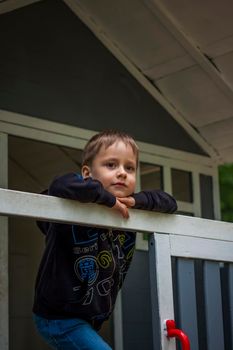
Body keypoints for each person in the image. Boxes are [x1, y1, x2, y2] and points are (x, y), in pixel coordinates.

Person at [33, 130, 177, 350]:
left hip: (91, 317)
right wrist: (106, 199)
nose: (122, 173)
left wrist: (134, 201)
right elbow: (60, 184)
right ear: (87, 173)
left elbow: (168, 202)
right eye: (111, 165)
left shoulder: (131, 209)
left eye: (129, 168)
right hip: (58, 317)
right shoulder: (72, 205)